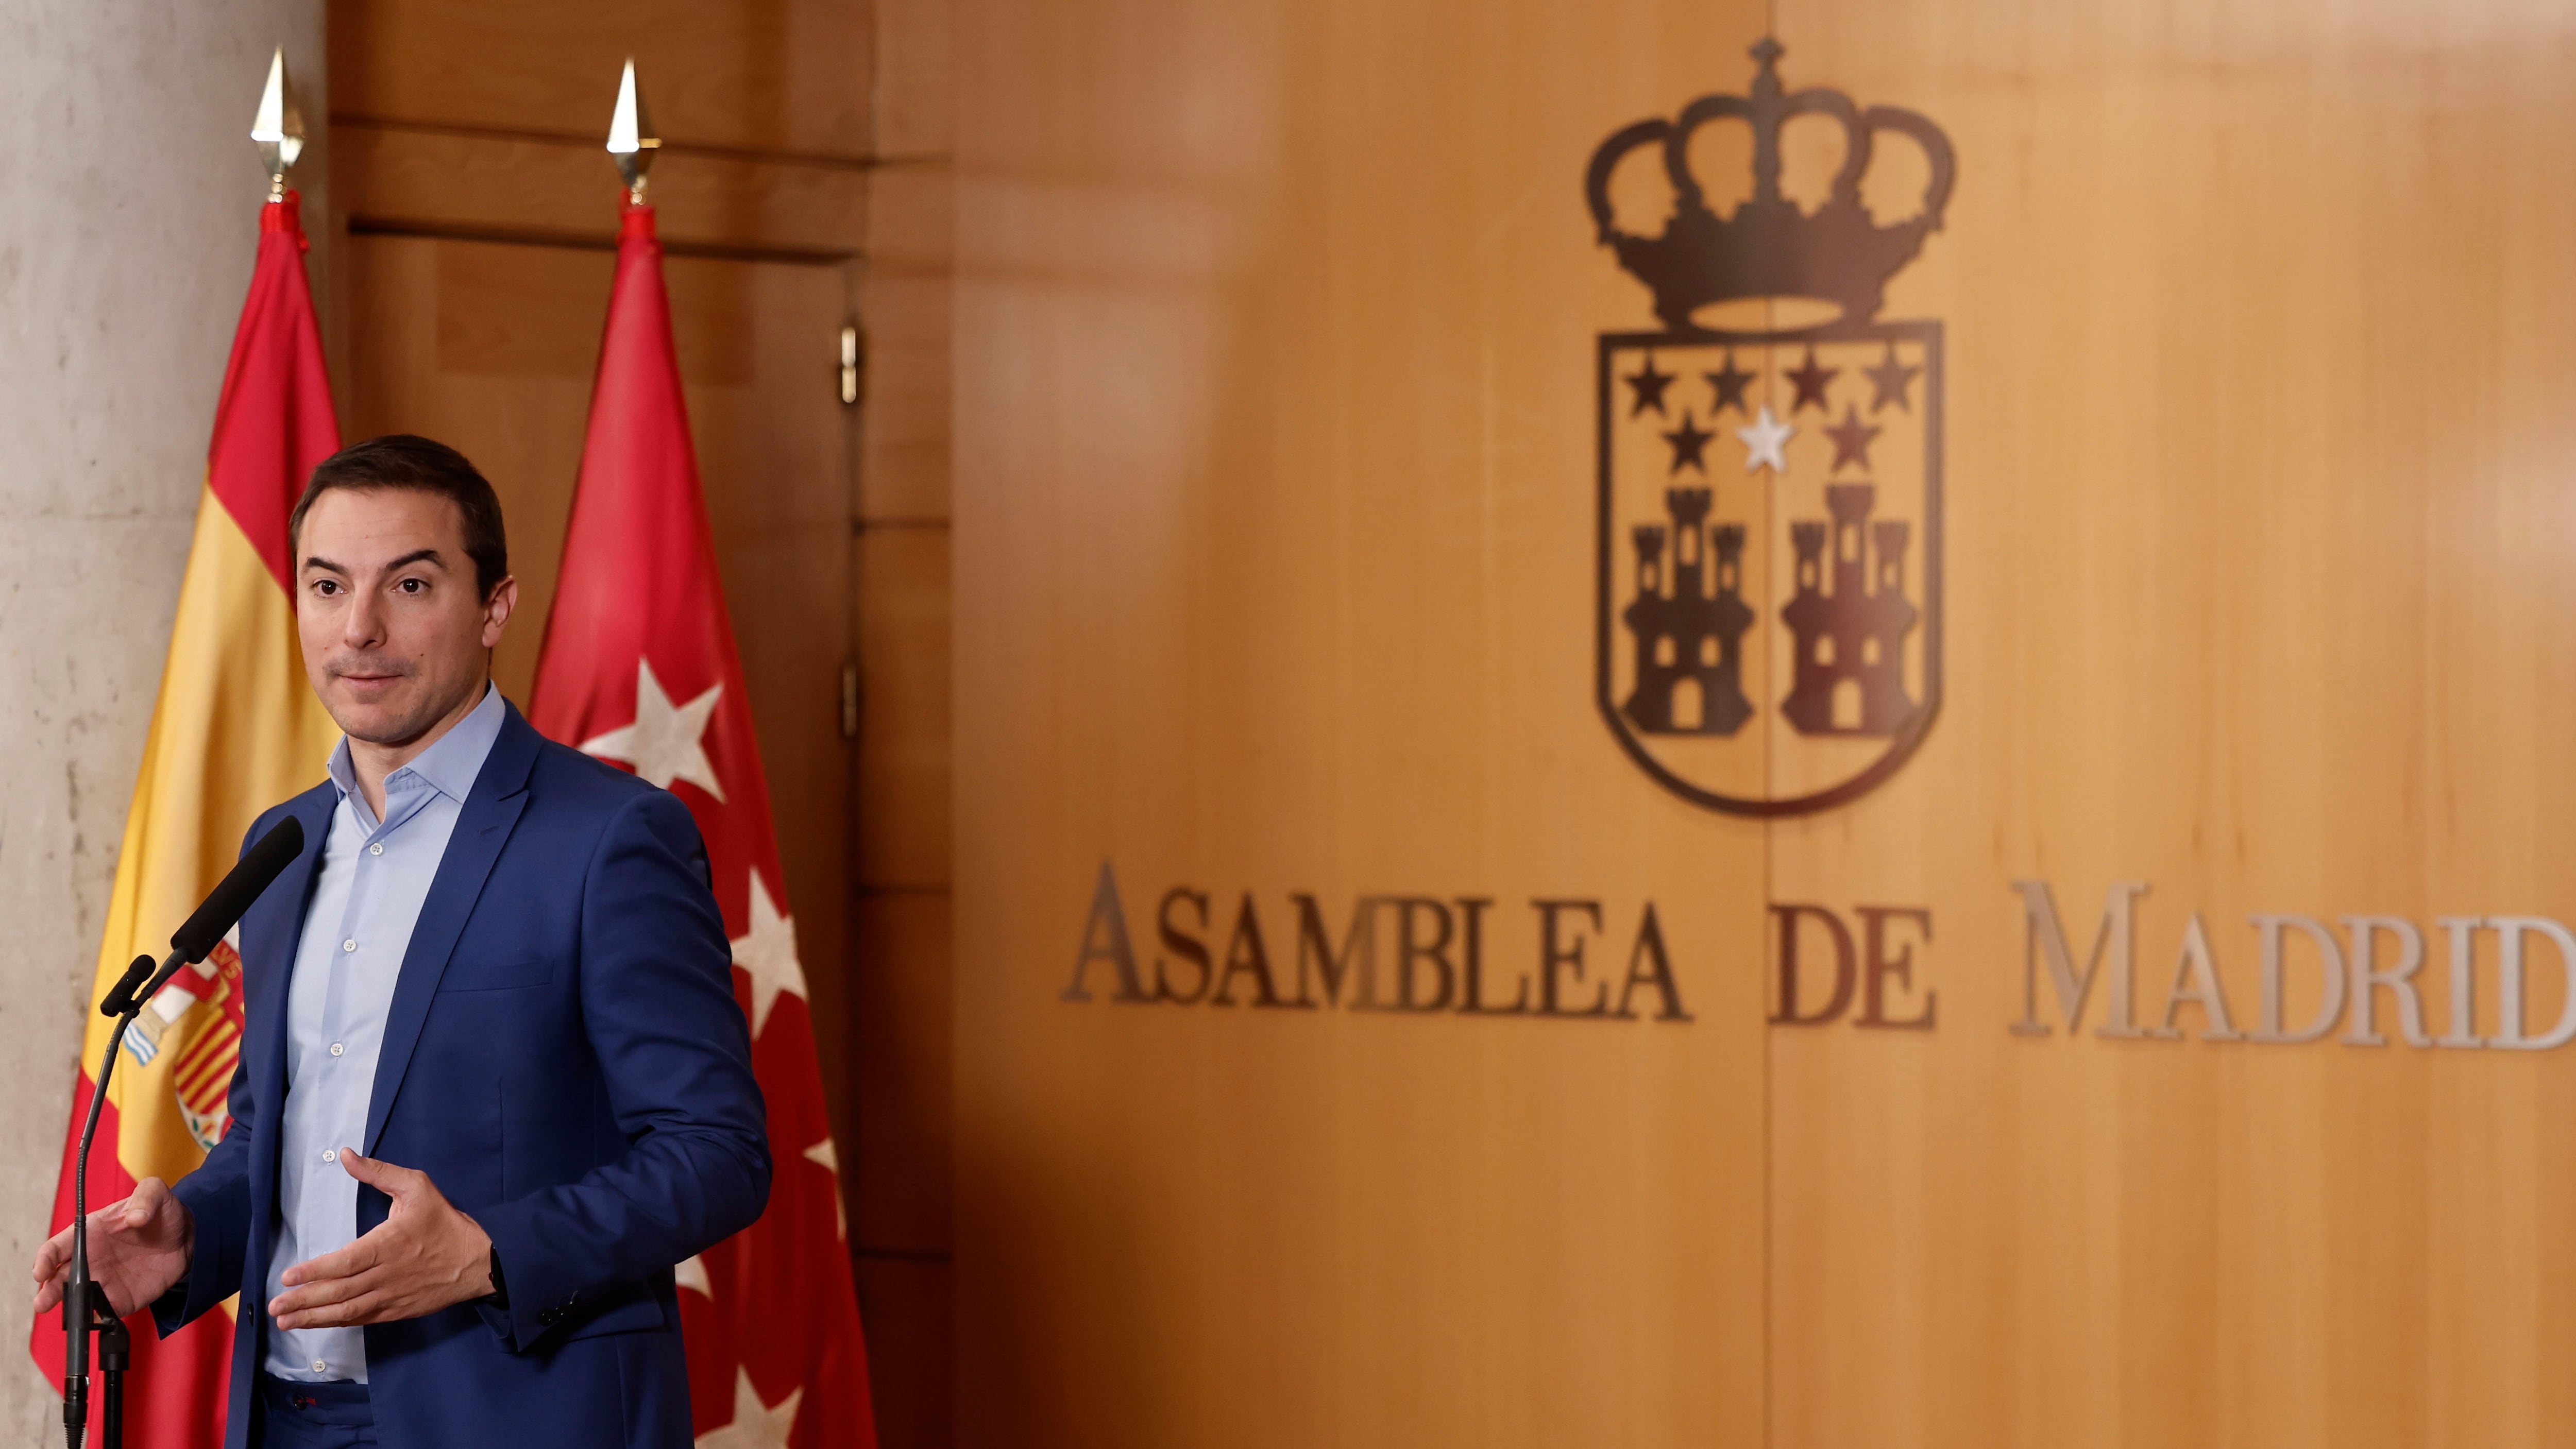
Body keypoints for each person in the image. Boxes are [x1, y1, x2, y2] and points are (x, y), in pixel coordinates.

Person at [28, 435, 769, 1448]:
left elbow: (718, 1154)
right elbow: (276, 1138)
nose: (360, 628)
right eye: (327, 586)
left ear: (495, 605)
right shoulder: (281, 846)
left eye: (410, 584)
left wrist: (489, 1252)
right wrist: (194, 1233)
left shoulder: (608, 838)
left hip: (521, 1416)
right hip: (286, 1417)